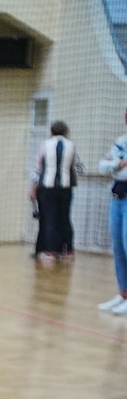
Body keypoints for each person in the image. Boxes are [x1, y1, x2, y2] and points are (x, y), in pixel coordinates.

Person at [32, 120, 81, 263]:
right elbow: (79, 167)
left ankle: (51, 252)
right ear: (66, 132)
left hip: (47, 188)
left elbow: (37, 169)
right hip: (66, 188)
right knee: (65, 218)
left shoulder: (45, 145)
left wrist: (33, 188)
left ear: (51, 131)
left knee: (49, 219)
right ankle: (69, 250)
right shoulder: (72, 146)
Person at [99, 110, 127, 314]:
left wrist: (116, 166)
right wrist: (119, 163)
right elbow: (103, 166)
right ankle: (122, 293)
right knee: (118, 247)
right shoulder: (121, 141)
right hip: (117, 197)